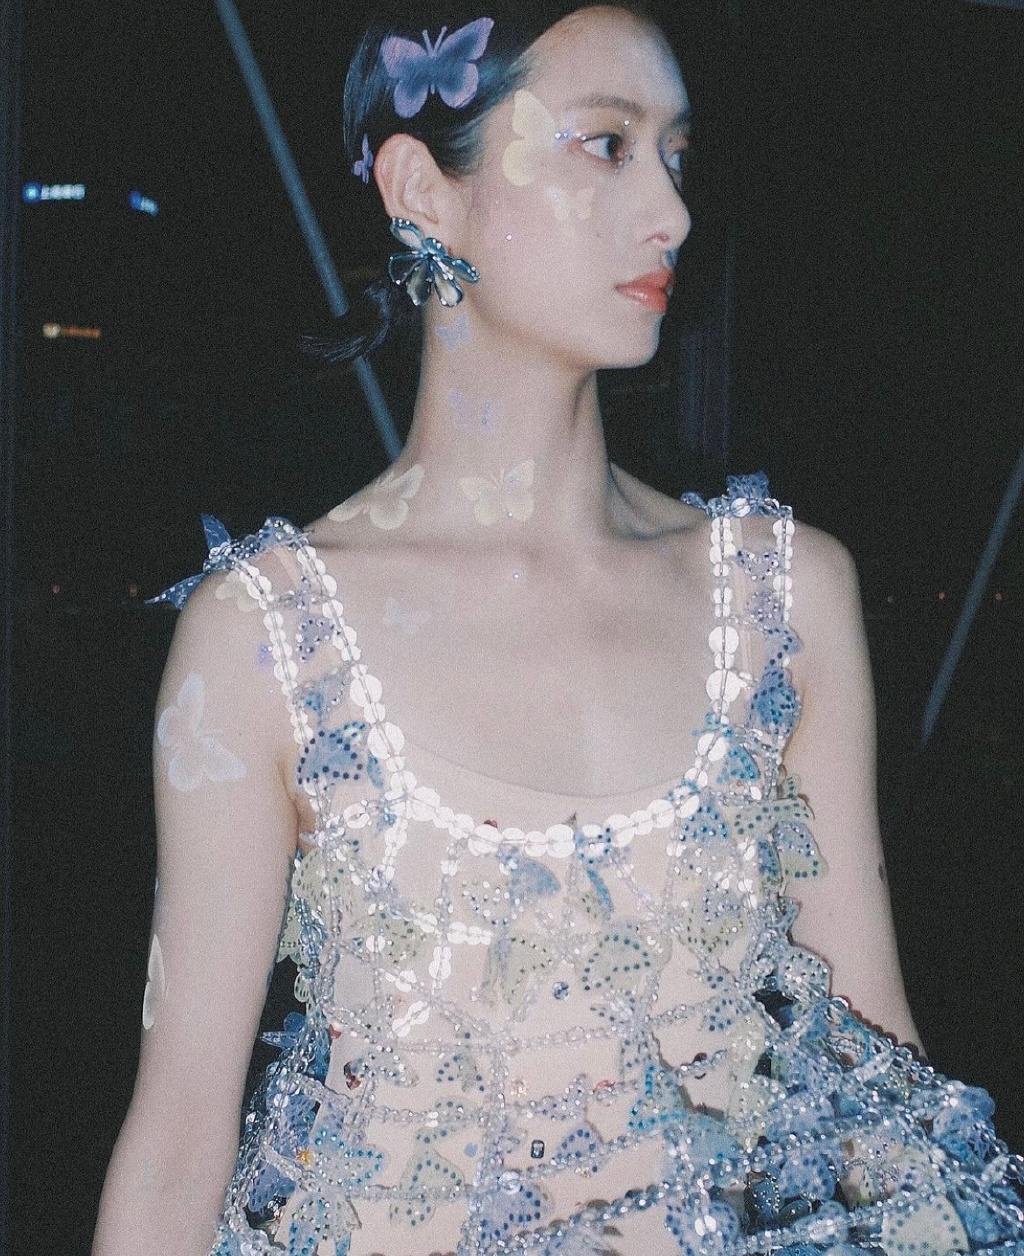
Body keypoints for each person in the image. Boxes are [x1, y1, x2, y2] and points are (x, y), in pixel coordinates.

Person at [93, 4, 1023, 1254]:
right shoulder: (266, 636)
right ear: (422, 190)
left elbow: (877, 1090)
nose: (671, 212)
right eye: (606, 144)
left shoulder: (781, 597)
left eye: (675, 155)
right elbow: (175, 1152)